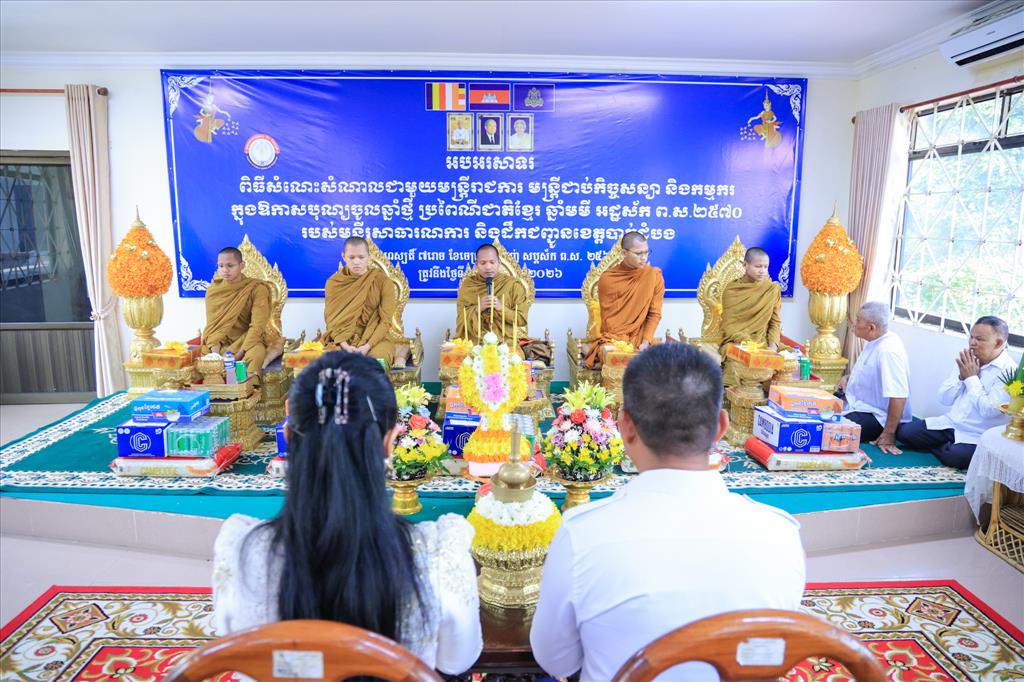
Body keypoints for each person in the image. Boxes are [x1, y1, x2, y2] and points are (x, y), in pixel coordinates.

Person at [530, 344, 806, 681]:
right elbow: (773, 655)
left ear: (625, 427)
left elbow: (556, 661)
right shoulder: (780, 535)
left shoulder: (581, 535)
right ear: (721, 427)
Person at [212, 352, 482, 674]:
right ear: (389, 444)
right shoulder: (439, 559)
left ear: (288, 438)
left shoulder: (241, 553)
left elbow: (238, 653)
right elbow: (457, 661)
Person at [896, 316, 1017, 468]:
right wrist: (961, 377)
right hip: (951, 424)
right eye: (971, 337)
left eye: (979, 339)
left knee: (955, 457)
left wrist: (971, 378)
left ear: (998, 343)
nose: (972, 343)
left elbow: (988, 411)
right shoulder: (968, 360)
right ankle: (945, 446)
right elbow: (944, 399)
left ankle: (944, 448)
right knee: (904, 432)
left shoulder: (1009, 372)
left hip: (977, 434)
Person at [838, 302, 912, 454]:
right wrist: (848, 378)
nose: (854, 323)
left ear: (871, 328)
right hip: (857, 404)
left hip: (877, 417)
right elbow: (869, 372)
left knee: (830, 428)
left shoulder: (888, 351)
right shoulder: (875, 340)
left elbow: (899, 395)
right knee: (819, 407)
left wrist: (889, 434)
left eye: (858, 320)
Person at [584, 231, 664, 368]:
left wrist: (645, 342)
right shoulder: (608, 279)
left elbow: (654, 313)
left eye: (646, 252)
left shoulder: (654, 276)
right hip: (614, 339)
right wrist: (621, 344)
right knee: (612, 357)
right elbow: (611, 323)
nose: (644, 258)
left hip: (641, 338)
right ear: (624, 253)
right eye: (638, 253)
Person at [201, 246, 281, 375]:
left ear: (242, 265)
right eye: (221, 266)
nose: (225, 270)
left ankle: (249, 386)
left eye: (230, 266)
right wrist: (216, 356)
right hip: (221, 343)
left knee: (256, 355)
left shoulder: (257, 289)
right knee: (200, 358)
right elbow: (213, 328)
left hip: (248, 341)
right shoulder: (213, 291)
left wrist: (239, 354)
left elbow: (257, 326)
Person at [321, 237, 398, 366]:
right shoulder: (334, 283)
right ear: (344, 257)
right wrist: (345, 346)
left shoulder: (383, 282)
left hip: (376, 339)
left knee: (376, 363)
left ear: (369, 256)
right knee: (330, 362)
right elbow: (332, 321)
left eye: (361, 257)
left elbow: (386, 321)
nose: (356, 262)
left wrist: (367, 346)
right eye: (351, 257)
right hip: (342, 339)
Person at [455, 243, 529, 348]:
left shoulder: (513, 285)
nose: (488, 267)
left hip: (506, 345)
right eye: (483, 263)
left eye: (492, 262)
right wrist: (478, 309)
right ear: (476, 265)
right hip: (474, 344)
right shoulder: (468, 286)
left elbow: (522, 319)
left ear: (499, 263)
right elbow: (460, 319)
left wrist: (501, 308)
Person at [720, 246, 781, 353]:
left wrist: (773, 347)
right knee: (739, 361)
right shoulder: (732, 289)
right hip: (737, 342)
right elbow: (729, 325)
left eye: (765, 267)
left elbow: (775, 322)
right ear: (745, 265)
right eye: (758, 266)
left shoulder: (771, 289)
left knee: (793, 359)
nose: (762, 271)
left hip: (764, 342)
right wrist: (747, 343)